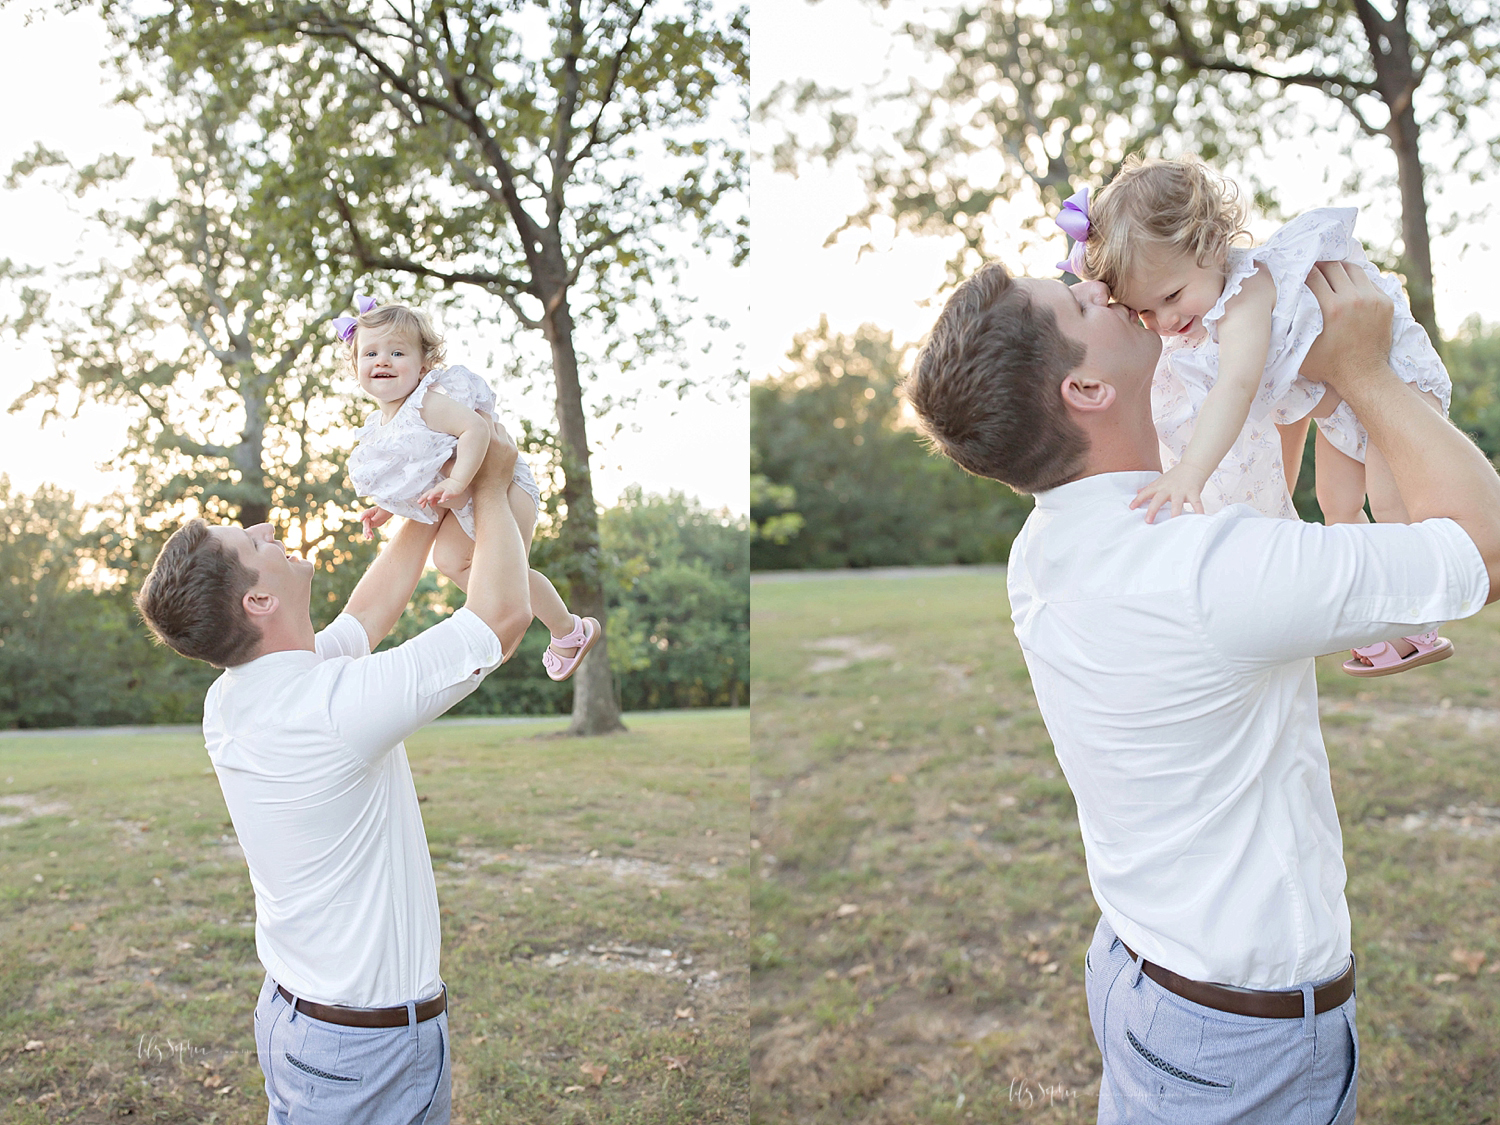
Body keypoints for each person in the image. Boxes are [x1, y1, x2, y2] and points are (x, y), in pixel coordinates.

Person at [905, 259, 1500, 1124]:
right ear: (1084, 387)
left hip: (1142, 971)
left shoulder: (1050, 543)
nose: (1104, 286)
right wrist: (1364, 369)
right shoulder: (1202, 573)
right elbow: (1485, 553)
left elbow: (1234, 478)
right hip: (1238, 1038)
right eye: (1081, 298)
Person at [135, 420, 535, 1124]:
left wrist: (432, 498)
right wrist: (495, 486)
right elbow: (500, 614)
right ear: (258, 601)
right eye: (250, 542)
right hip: (366, 1052)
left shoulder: (238, 695)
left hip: (306, 1023)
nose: (265, 529)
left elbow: (366, 613)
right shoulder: (327, 710)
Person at [1057, 158, 1454, 675]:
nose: (1166, 320)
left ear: (1211, 246)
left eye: (1172, 296)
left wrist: (1190, 472)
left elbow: (1237, 388)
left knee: (1392, 504)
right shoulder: (1198, 315)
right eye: (1146, 311)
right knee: (1337, 507)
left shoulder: (1248, 291)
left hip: (1391, 378)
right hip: (1340, 405)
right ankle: (1376, 621)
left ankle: (1421, 618)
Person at [338, 295, 599, 682]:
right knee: (448, 560)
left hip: (506, 486)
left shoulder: (425, 403)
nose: (382, 361)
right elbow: (418, 473)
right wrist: (388, 508)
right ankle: (505, 610)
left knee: (509, 570)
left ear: (423, 365)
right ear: (356, 365)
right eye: (371, 353)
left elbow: (476, 429)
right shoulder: (381, 428)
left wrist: (459, 480)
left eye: (397, 352)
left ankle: (566, 630)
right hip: (470, 500)